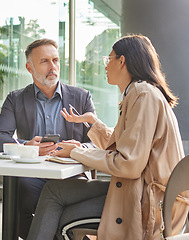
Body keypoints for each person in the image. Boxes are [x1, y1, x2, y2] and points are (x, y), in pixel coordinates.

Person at [26, 34, 189, 240]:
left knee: (62, 216)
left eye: (108, 59)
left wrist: (75, 151)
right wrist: (94, 123)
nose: (105, 65)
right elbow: (128, 146)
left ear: (122, 61)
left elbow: (128, 164)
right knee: (54, 190)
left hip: (143, 201)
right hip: (135, 190)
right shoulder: (139, 92)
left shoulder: (143, 94)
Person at [0, 38, 96, 239]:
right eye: (45, 61)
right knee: (14, 196)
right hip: (32, 176)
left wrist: (79, 147)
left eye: (55, 60)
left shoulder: (81, 97)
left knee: (56, 203)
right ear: (30, 68)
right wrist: (26, 147)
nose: (52, 67)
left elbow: (97, 143)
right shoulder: (16, 98)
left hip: (70, 175)